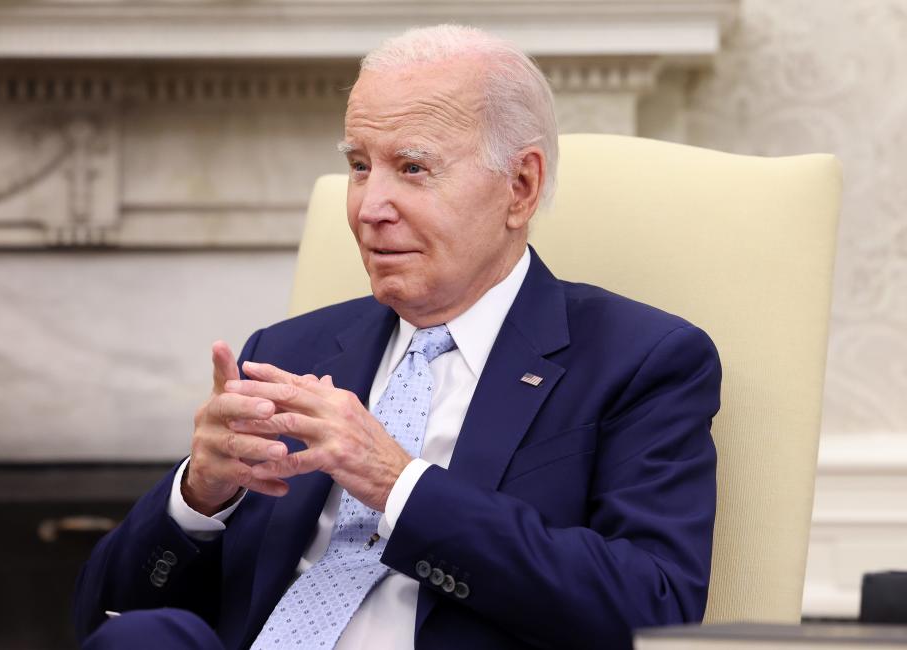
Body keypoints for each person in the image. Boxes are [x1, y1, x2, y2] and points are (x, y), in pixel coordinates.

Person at [74, 24, 721, 650]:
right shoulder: (289, 352)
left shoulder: (639, 360)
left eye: (412, 168)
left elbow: (652, 606)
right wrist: (199, 496)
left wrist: (397, 484)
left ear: (519, 188)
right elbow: (105, 614)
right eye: (360, 166)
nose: (367, 208)